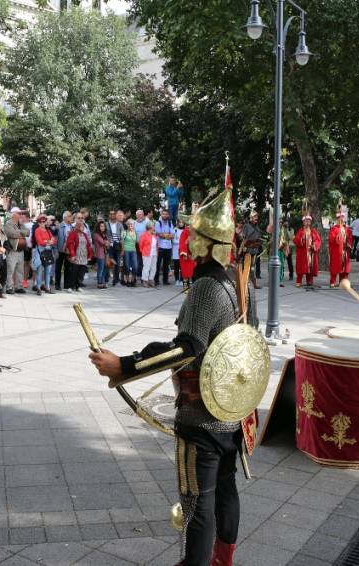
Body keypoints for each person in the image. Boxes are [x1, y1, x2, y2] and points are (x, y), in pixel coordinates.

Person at [88, 185, 256, 566]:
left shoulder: (206, 288)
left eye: (195, 235)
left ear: (211, 244)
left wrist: (124, 367)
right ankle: (222, 561)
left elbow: (186, 348)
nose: (189, 240)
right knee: (225, 492)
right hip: (229, 410)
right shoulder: (238, 281)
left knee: (198, 503)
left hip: (202, 416)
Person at [64, 213, 92, 292]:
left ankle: (78, 286)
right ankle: (70, 287)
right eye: (81, 226)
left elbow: (88, 245)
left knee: (81, 272)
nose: (83, 228)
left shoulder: (85, 235)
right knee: (74, 272)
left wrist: (89, 255)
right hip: (76, 255)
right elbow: (70, 245)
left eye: (83, 226)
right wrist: (72, 255)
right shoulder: (72, 233)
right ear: (77, 227)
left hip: (83, 256)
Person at [4, 207, 29, 294]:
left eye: (21, 214)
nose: (20, 215)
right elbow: (11, 233)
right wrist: (21, 233)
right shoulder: (8, 223)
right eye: (19, 213)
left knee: (20, 269)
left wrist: (19, 233)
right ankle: (9, 287)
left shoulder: (20, 223)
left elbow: (28, 232)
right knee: (10, 269)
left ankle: (19, 286)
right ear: (14, 214)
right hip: (12, 250)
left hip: (20, 250)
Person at [294, 214, 320, 287]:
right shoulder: (300, 231)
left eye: (309, 221)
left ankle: (309, 281)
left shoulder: (313, 231)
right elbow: (296, 240)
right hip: (302, 253)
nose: (307, 222)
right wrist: (302, 239)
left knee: (310, 267)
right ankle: (299, 281)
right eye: (306, 221)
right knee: (301, 267)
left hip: (311, 253)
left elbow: (318, 240)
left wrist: (314, 245)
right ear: (303, 222)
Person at [328, 211, 353, 288]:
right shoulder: (334, 229)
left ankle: (342, 282)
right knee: (335, 266)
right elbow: (331, 239)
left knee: (344, 267)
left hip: (345, 251)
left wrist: (349, 243)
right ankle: (333, 281)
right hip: (337, 251)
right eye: (339, 218)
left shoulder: (347, 229)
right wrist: (337, 237)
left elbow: (350, 238)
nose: (341, 219)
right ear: (337, 219)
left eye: (342, 218)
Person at [32, 214, 56, 295]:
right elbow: (40, 242)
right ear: (38, 223)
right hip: (40, 252)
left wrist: (47, 241)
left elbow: (54, 240)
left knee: (48, 271)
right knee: (39, 271)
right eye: (41, 222)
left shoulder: (48, 231)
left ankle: (47, 288)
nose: (43, 223)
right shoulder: (37, 230)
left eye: (44, 221)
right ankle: (38, 288)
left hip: (48, 251)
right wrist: (48, 241)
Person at [154, 210, 175, 286]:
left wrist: (165, 235)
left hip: (168, 247)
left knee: (166, 264)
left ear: (168, 215)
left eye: (166, 214)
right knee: (158, 264)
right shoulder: (158, 223)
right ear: (161, 215)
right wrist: (167, 235)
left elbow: (173, 235)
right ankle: (156, 280)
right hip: (160, 247)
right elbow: (159, 234)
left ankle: (165, 280)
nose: (165, 215)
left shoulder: (170, 223)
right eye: (163, 214)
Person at [106, 210, 124, 286]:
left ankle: (116, 280)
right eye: (111, 214)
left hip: (118, 246)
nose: (112, 215)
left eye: (114, 214)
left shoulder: (120, 224)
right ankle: (107, 279)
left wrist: (123, 249)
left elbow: (123, 237)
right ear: (109, 215)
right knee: (109, 263)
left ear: (115, 215)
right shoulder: (106, 224)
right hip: (109, 246)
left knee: (117, 263)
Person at [139, 222, 158, 287]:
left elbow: (156, 244)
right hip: (146, 253)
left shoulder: (154, 234)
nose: (154, 227)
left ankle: (151, 279)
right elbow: (141, 244)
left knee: (153, 268)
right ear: (150, 227)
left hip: (154, 253)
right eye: (153, 226)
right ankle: (145, 280)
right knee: (146, 267)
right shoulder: (144, 234)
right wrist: (143, 251)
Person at [121, 217, 138, 287]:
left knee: (135, 266)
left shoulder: (135, 232)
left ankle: (133, 280)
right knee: (127, 266)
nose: (131, 226)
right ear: (127, 225)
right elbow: (122, 242)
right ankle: (128, 280)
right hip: (126, 251)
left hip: (133, 250)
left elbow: (137, 242)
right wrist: (122, 250)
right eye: (129, 224)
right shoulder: (124, 232)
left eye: (132, 225)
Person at [133, 209, 149, 278]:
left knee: (144, 260)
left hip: (145, 245)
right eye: (138, 214)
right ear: (136, 215)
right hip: (136, 244)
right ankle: (138, 275)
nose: (140, 216)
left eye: (141, 214)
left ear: (143, 215)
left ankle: (143, 276)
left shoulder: (146, 223)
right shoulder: (133, 223)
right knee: (137, 260)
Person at [93, 220, 109, 289]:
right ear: (98, 227)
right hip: (100, 254)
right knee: (101, 268)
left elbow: (109, 243)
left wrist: (106, 242)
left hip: (105, 253)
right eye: (101, 226)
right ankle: (99, 283)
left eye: (103, 226)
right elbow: (103, 242)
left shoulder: (104, 234)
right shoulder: (96, 234)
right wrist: (106, 242)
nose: (102, 227)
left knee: (105, 268)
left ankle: (103, 282)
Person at [173, 219, 184, 285]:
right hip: (175, 250)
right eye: (180, 222)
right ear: (178, 223)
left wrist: (179, 241)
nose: (181, 224)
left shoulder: (185, 230)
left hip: (182, 251)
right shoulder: (174, 230)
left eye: (182, 222)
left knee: (182, 266)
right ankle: (177, 279)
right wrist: (180, 242)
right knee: (176, 266)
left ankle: (182, 280)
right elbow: (174, 241)